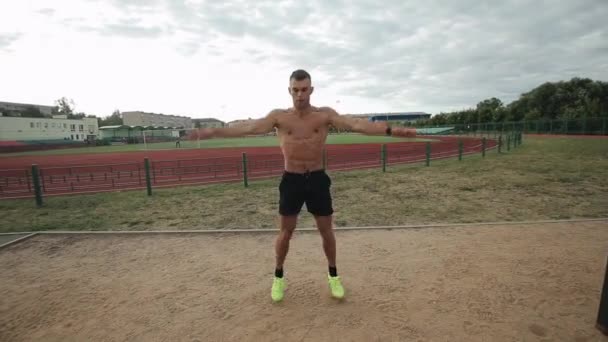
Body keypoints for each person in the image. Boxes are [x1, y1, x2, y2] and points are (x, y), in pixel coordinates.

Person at [189, 69, 416, 302]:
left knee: (326, 231)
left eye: (304, 89)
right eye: (295, 90)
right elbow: (248, 127)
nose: (300, 95)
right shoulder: (279, 117)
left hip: (317, 179)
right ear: (289, 91)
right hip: (292, 180)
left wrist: (391, 130)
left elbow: (357, 124)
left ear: (311, 90)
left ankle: (333, 275)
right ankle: (278, 277)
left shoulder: (324, 116)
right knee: (286, 232)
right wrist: (215, 130)